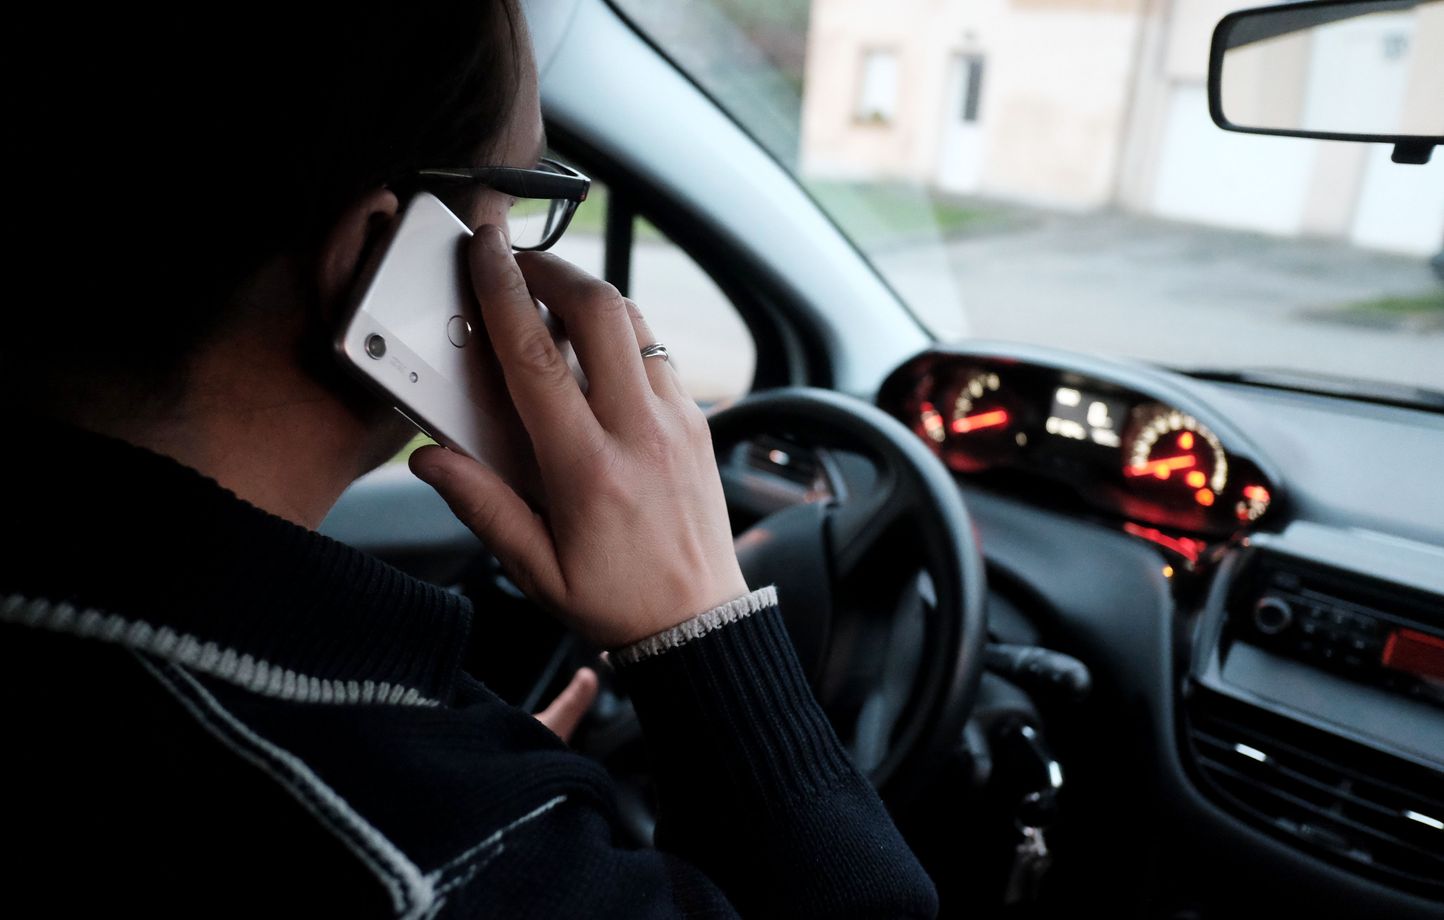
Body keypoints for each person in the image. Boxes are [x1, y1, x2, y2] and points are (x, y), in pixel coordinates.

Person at [2, 2, 937, 916]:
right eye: (519, 195)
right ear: (375, 253)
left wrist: (488, 778)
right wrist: (701, 624)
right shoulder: (429, 858)